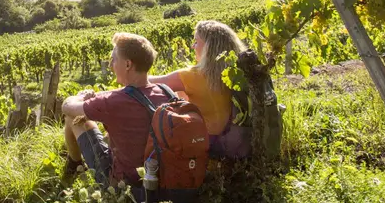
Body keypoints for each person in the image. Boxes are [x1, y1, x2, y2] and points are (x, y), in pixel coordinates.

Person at [61, 32, 176, 193]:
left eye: (114, 59)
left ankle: (74, 166)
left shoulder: (114, 102)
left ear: (128, 65)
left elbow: (67, 107)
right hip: (162, 174)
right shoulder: (166, 92)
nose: (110, 65)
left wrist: (78, 97)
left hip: (123, 184)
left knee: (73, 118)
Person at [148, 19, 250, 159]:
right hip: (235, 141)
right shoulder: (236, 72)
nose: (192, 46)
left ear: (208, 47)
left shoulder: (193, 76)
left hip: (205, 143)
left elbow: (147, 81)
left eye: (196, 42)